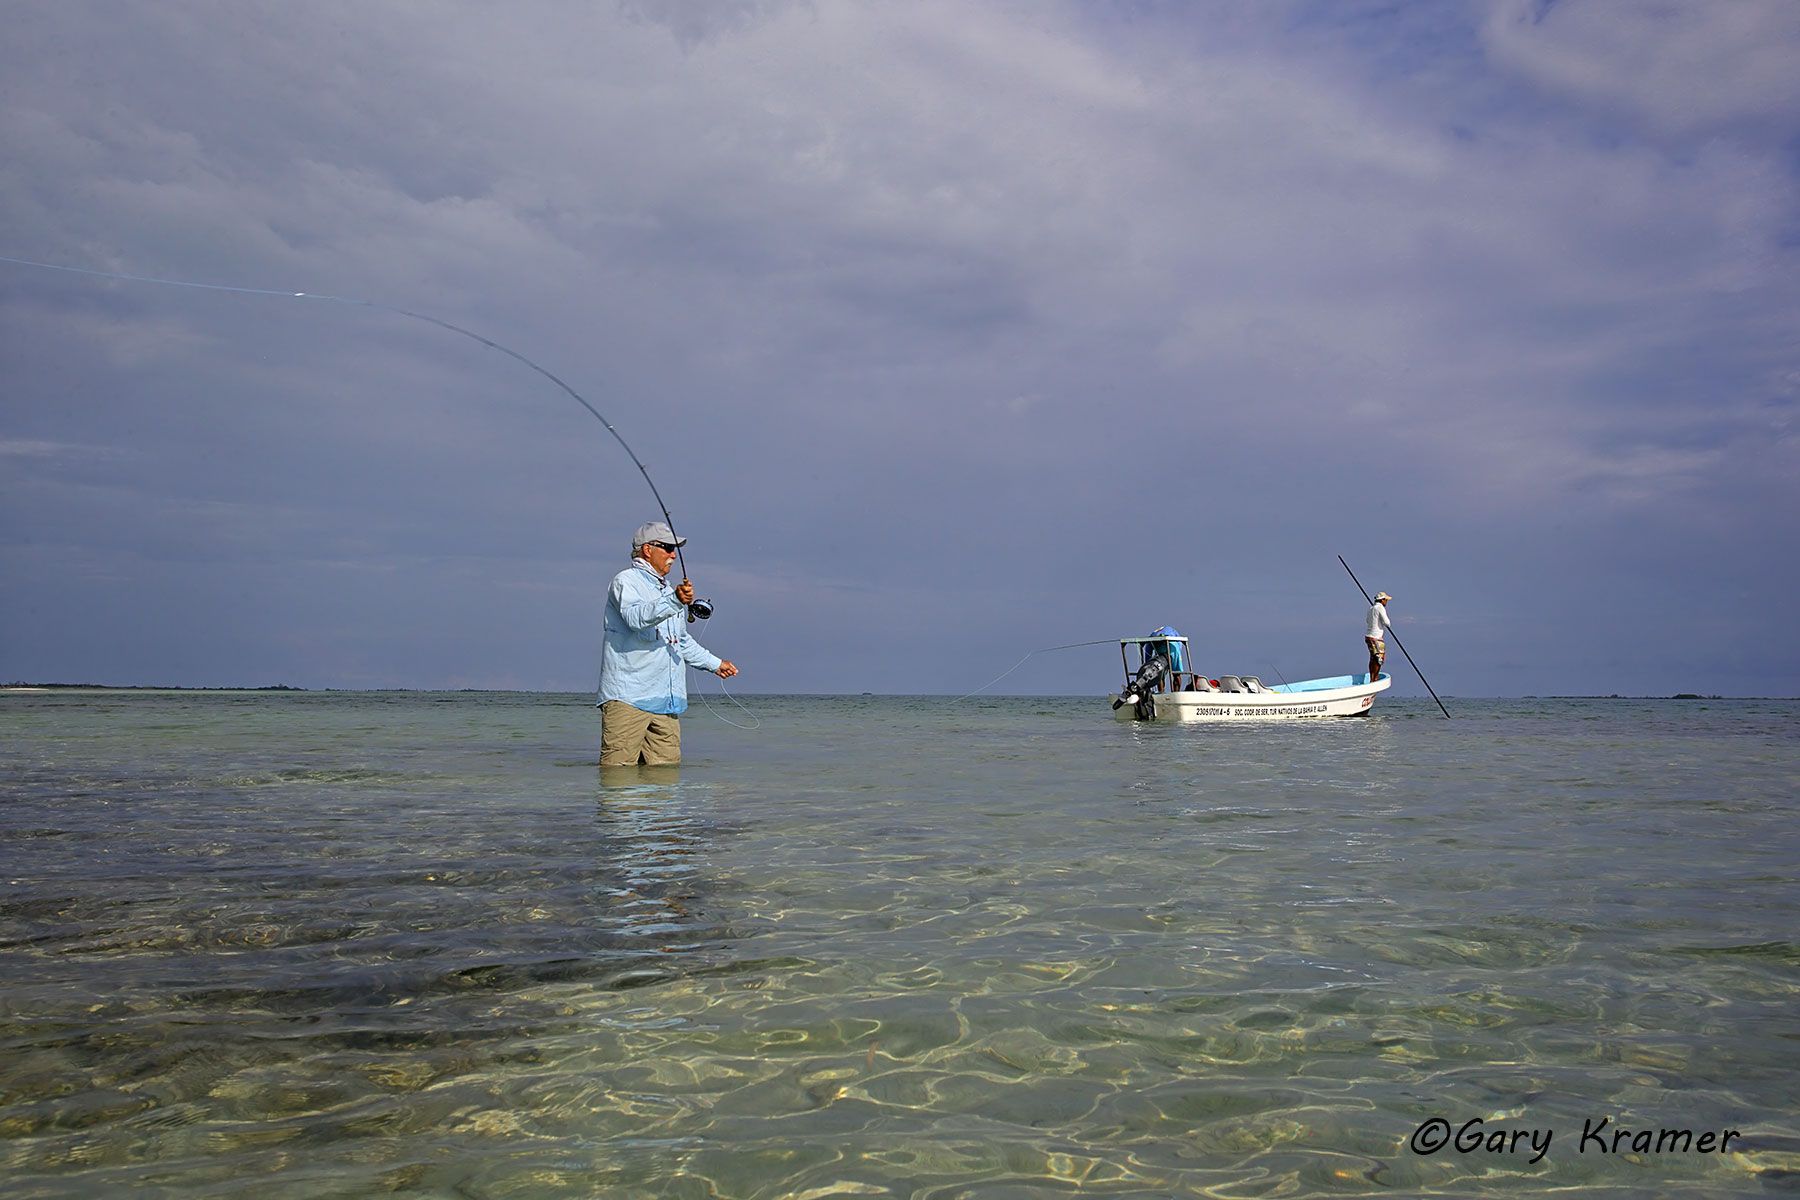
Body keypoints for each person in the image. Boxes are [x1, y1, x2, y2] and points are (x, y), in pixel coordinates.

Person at [598, 521, 738, 766]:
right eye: (667, 547)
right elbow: (635, 618)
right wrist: (675, 600)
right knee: (617, 779)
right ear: (647, 550)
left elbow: (680, 641)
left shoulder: (667, 592)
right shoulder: (626, 581)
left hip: (666, 702)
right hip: (628, 699)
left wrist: (715, 664)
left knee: (666, 781)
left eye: (675, 549)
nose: (673, 554)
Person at [1365, 591, 1392, 682]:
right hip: (1376, 637)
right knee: (1379, 659)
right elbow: (1386, 622)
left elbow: (1367, 621)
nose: (1386, 602)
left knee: (1373, 657)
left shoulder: (1371, 608)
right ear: (1382, 600)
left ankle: (1372, 678)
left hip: (1368, 636)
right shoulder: (1380, 608)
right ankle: (1374, 679)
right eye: (1386, 600)